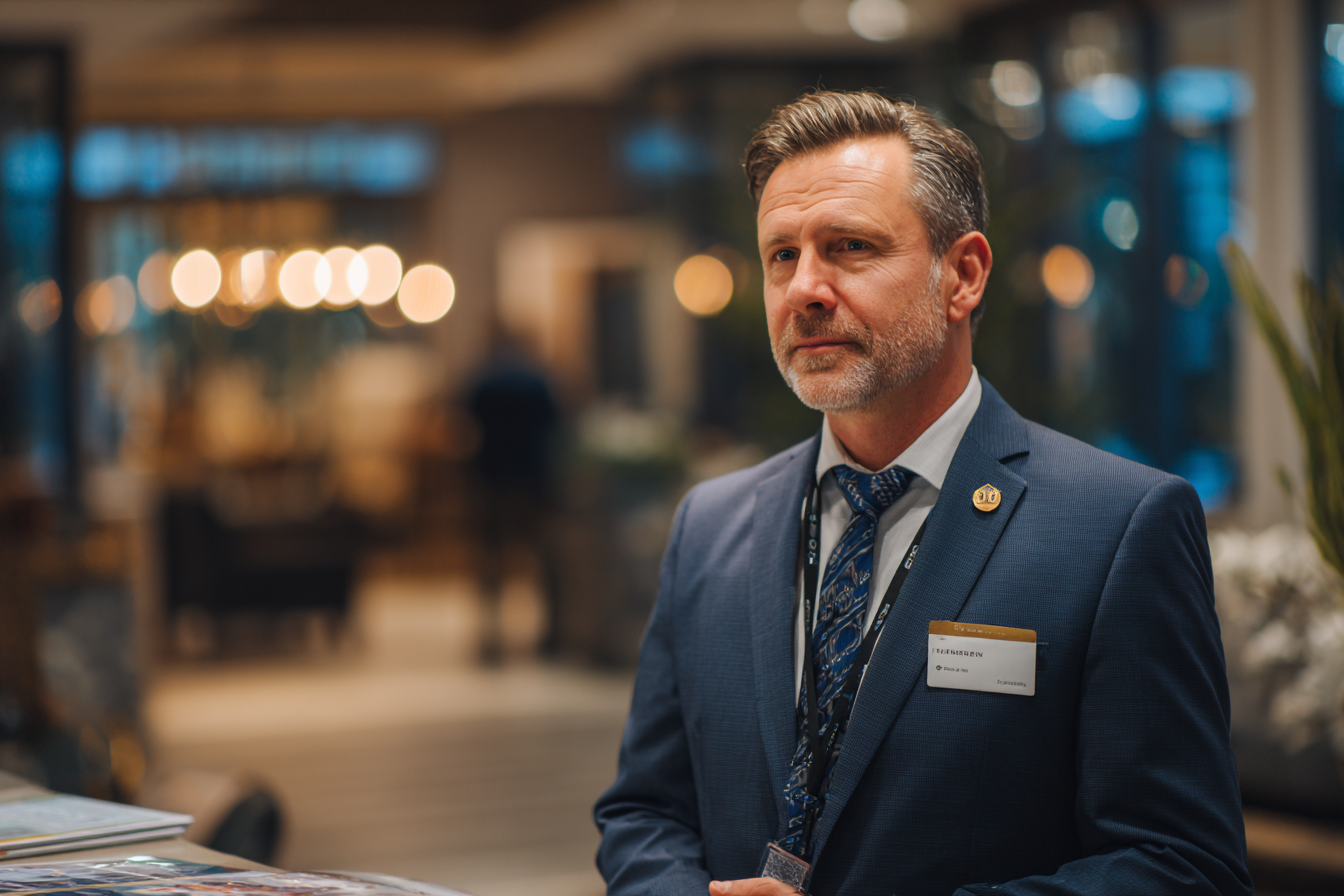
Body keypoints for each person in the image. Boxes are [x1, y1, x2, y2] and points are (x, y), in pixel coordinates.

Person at [593, 91, 1250, 896]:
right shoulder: (712, 523)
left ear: (964, 275)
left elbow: (1182, 865)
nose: (805, 288)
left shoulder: (1115, 529)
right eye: (780, 256)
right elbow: (645, 813)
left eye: (850, 246)